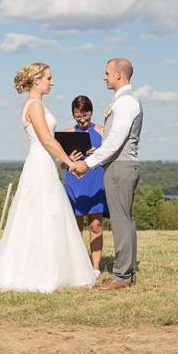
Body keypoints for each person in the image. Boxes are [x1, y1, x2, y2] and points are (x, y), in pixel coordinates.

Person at [0, 62, 96, 294]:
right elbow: (47, 139)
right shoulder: (33, 105)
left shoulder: (38, 104)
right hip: (40, 162)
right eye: (49, 78)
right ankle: (38, 271)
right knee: (41, 213)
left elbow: (52, 142)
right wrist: (71, 164)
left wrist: (63, 159)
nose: (52, 82)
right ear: (36, 80)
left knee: (49, 213)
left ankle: (53, 268)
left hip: (45, 162)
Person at [72, 57, 143, 291]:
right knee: (124, 220)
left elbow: (115, 141)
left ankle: (122, 276)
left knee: (122, 221)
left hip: (121, 167)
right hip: (118, 166)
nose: (105, 77)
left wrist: (88, 163)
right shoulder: (122, 101)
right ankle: (125, 272)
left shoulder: (126, 103)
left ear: (119, 75)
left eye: (107, 73)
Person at [63, 95, 107, 276]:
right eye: (78, 116)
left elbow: (112, 154)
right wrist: (68, 160)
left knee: (96, 225)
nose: (82, 120)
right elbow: (61, 163)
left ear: (91, 112)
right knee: (75, 227)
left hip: (95, 182)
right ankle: (76, 265)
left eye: (85, 115)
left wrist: (99, 152)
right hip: (74, 183)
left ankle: (95, 268)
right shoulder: (67, 133)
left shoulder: (101, 131)